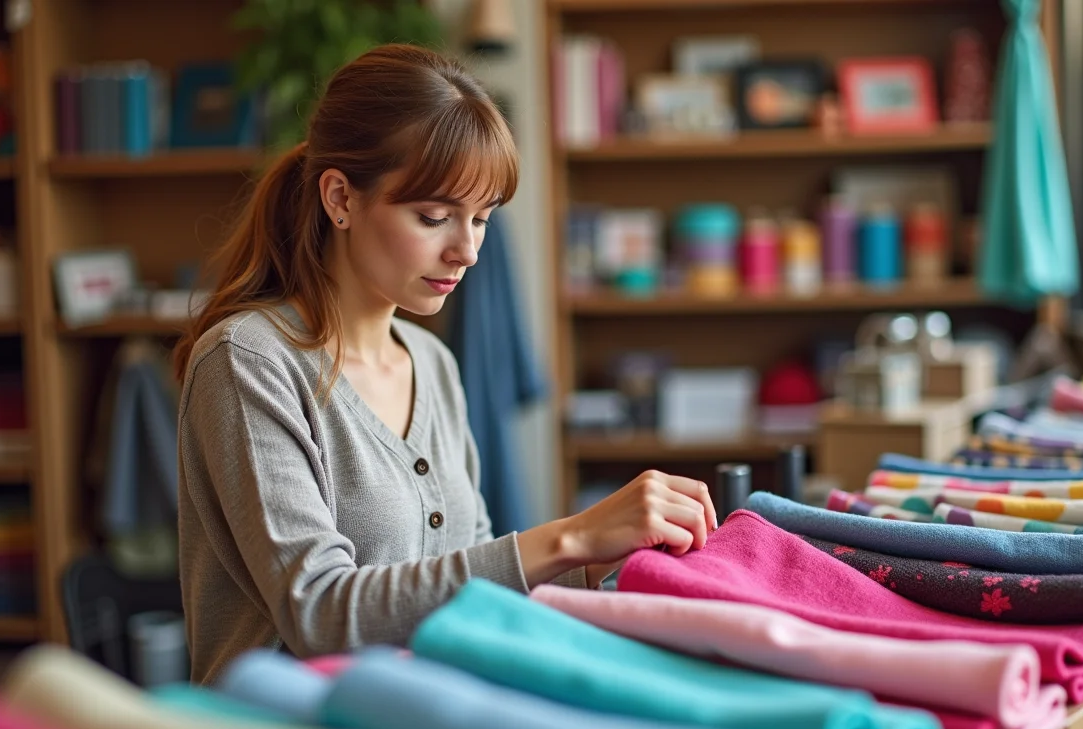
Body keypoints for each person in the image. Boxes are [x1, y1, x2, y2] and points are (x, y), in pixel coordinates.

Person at [172, 44, 717, 685]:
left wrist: (601, 561)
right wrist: (572, 537)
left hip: (426, 709)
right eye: (434, 218)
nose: (467, 250)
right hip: (283, 726)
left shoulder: (431, 363)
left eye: (481, 220)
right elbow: (318, 613)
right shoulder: (249, 362)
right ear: (340, 197)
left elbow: (467, 581)